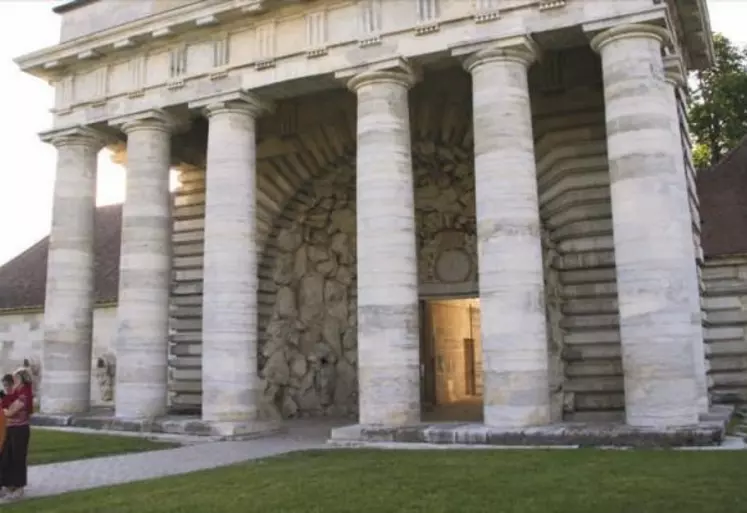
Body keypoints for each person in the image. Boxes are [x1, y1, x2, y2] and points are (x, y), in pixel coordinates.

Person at [0, 368, 33, 500]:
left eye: (16, 379)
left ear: (22, 380)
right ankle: (7, 486)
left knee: (18, 458)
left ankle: (19, 488)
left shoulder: (24, 395)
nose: (14, 381)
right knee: (6, 457)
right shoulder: (14, 394)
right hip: (9, 428)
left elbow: (9, 412)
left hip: (20, 430)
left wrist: (4, 407)